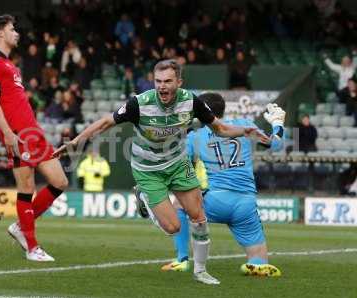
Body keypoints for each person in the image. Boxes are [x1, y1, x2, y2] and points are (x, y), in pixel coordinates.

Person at [53, 59, 269, 285]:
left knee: (199, 218)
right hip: (149, 170)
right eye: (158, 81)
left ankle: (200, 271)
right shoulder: (140, 103)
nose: (162, 86)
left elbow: (221, 128)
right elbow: (106, 122)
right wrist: (75, 143)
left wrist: (244, 131)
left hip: (177, 164)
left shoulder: (191, 102)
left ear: (179, 82)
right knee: (173, 227)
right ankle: (145, 199)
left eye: (167, 81)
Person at [138, 93, 284, 276]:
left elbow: (177, 167)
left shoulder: (195, 137)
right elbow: (276, 146)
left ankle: (182, 260)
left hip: (216, 201)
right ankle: (257, 264)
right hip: (246, 203)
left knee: (179, 206)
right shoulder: (246, 125)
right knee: (258, 258)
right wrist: (278, 123)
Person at [0, 15, 69, 262]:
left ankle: (21, 226)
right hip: (18, 134)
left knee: (60, 181)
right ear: (0, 33)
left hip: (32, 132)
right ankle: (32, 247)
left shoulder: (10, 65)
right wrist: (6, 133)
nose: (17, 33)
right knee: (27, 188)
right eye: (12, 29)